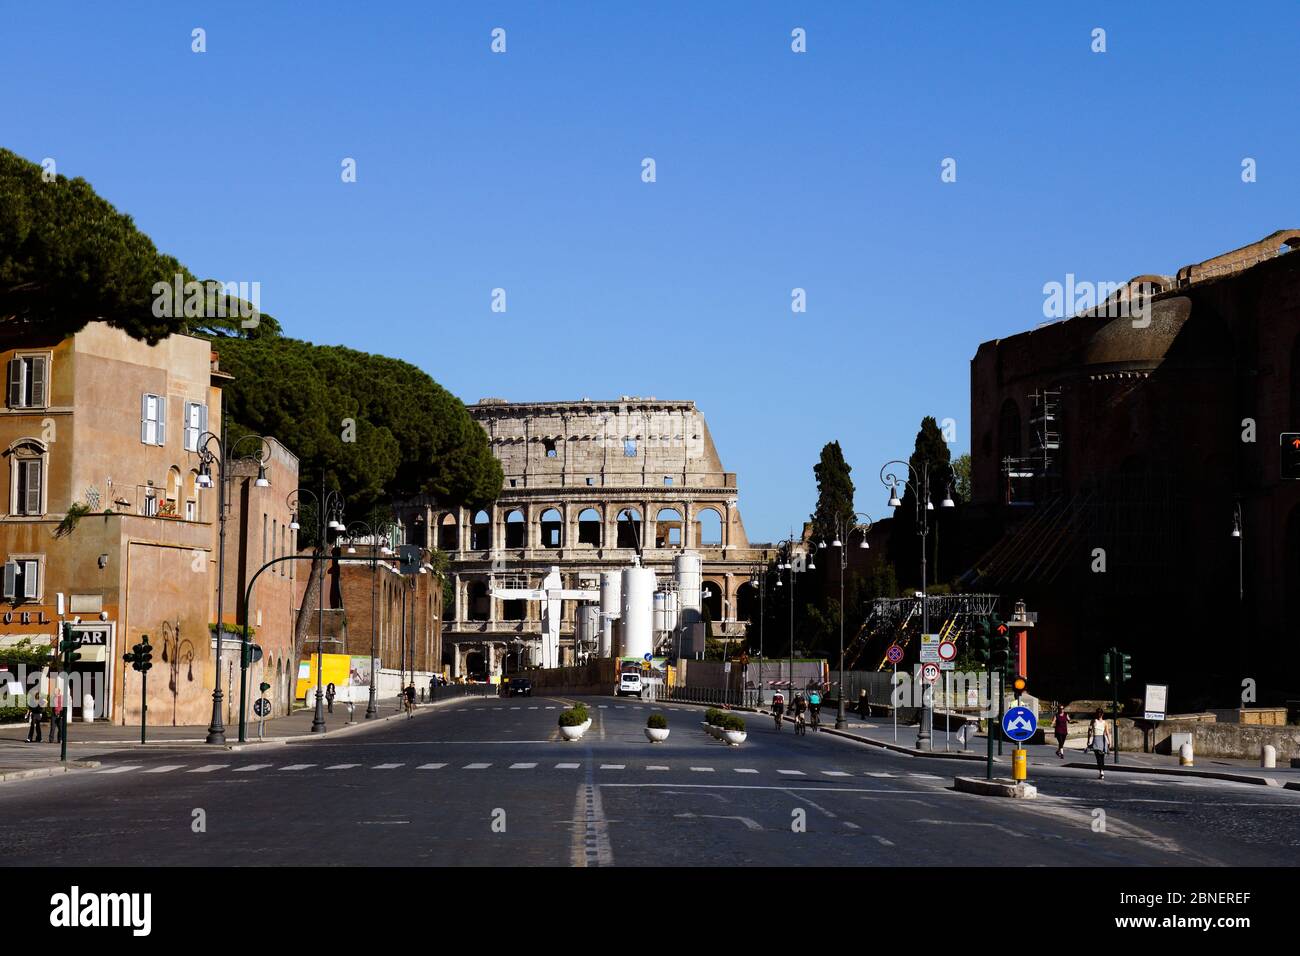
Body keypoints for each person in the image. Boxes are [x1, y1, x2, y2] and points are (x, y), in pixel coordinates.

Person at [1086, 707, 1110, 779]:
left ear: (1102, 714)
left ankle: (1101, 772)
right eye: (1098, 713)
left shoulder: (1104, 722)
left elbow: (1107, 733)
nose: (1099, 714)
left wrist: (1109, 741)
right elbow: (1090, 731)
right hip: (1097, 739)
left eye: (1100, 713)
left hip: (1101, 739)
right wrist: (1088, 739)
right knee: (1100, 758)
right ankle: (1101, 772)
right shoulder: (1093, 721)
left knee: (1100, 758)